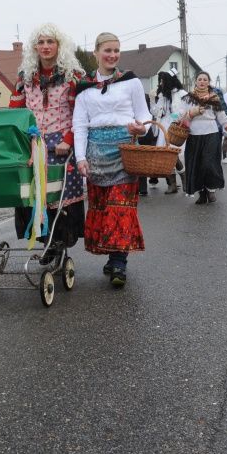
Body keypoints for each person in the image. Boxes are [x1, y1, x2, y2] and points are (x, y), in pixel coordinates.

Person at [72, 32, 150, 288]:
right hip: (95, 153)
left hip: (124, 151)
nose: (113, 55)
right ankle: (112, 254)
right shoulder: (84, 88)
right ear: (96, 53)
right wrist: (80, 158)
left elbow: (144, 117)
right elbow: (79, 126)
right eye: (107, 50)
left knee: (121, 207)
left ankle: (119, 262)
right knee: (102, 207)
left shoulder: (131, 82)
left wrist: (142, 129)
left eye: (116, 50)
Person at [8, 23, 86, 265]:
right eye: (40, 42)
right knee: (34, 195)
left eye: (50, 41)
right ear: (35, 47)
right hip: (34, 144)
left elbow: (81, 114)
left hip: (62, 144)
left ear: (59, 45)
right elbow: (15, 112)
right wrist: (17, 141)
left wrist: (69, 140)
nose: (45, 46)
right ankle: (47, 243)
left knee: (59, 197)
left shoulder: (73, 76)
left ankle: (59, 243)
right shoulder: (25, 77)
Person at [177, 71, 227, 204]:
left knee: (209, 164)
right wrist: (192, 113)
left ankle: (211, 190)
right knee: (197, 165)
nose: (202, 81)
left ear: (209, 82)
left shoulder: (214, 99)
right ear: (195, 81)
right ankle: (201, 193)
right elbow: (180, 118)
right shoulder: (187, 98)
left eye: (205, 79)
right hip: (194, 135)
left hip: (211, 134)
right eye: (199, 79)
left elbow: (223, 118)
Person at [150, 70, 188, 192]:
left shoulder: (182, 94)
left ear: (169, 81)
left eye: (162, 81)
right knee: (166, 156)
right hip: (163, 128)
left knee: (173, 155)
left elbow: (184, 111)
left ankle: (184, 179)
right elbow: (155, 112)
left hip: (175, 128)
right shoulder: (163, 95)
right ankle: (172, 184)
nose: (160, 84)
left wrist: (171, 118)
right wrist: (152, 99)